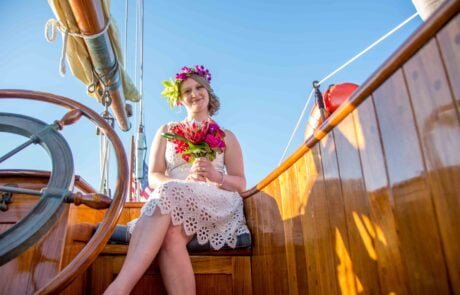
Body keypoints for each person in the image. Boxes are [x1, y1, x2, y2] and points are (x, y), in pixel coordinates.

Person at [104, 65, 250, 295]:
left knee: (170, 191)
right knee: (171, 236)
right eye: (187, 91)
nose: (194, 94)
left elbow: (241, 183)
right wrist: (180, 185)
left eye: (199, 87)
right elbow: (153, 177)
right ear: (180, 100)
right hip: (173, 197)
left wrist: (215, 176)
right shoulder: (166, 131)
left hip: (215, 198)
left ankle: (119, 289)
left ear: (208, 91)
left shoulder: (226, 135)